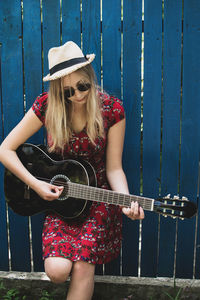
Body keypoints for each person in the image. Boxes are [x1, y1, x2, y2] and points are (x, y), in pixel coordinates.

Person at [0, 41, 144, 300]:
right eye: (68, 91)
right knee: (56, 271)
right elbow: (5, 149)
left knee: (82, 265)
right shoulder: (46, 106)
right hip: (61, 200)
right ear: (57, 92)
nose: (77, 95)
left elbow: (114, 168)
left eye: (82, 86)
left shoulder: (111, 110)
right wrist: (36, 184)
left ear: (90, 78)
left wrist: (125, 201)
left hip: (98, 200)